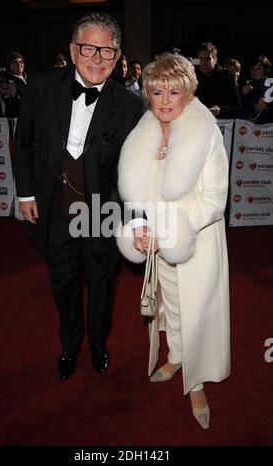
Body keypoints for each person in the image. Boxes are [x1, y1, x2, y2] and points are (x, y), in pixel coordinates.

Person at [13, 12, 143, 380]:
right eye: (89, 48)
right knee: (64, 283)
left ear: (118, 58)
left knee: (101, 286)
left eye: (107, 51)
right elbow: (23, 145)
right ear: (73, 50)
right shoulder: (40, 86)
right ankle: (70, 345)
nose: (97, 58)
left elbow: (134, 172)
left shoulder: (131, 107)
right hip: (54, 208)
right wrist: (25, 195)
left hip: (101, 212)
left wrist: (136, 219)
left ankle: (98, 345)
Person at [116, 53, 230, 430]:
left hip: (195, 238)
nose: (164, 100)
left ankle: (195, 383)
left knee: (196, 310)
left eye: (174, 91)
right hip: (159, 243)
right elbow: (139, 192)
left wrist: (173, 230)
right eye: (157, 92)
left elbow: (215, 201)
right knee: (173, 308)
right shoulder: (145, 130)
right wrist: (142, 226)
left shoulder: (205, 131)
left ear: (189, 93)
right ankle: (178, 357)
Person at [195, 42, 240, 118]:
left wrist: (220, 110)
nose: (204, 63)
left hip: (222, 125)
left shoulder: (227, 77)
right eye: (201, 59)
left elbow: (237, 108)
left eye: (208, 59)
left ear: (215, 59)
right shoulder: (193, 78)